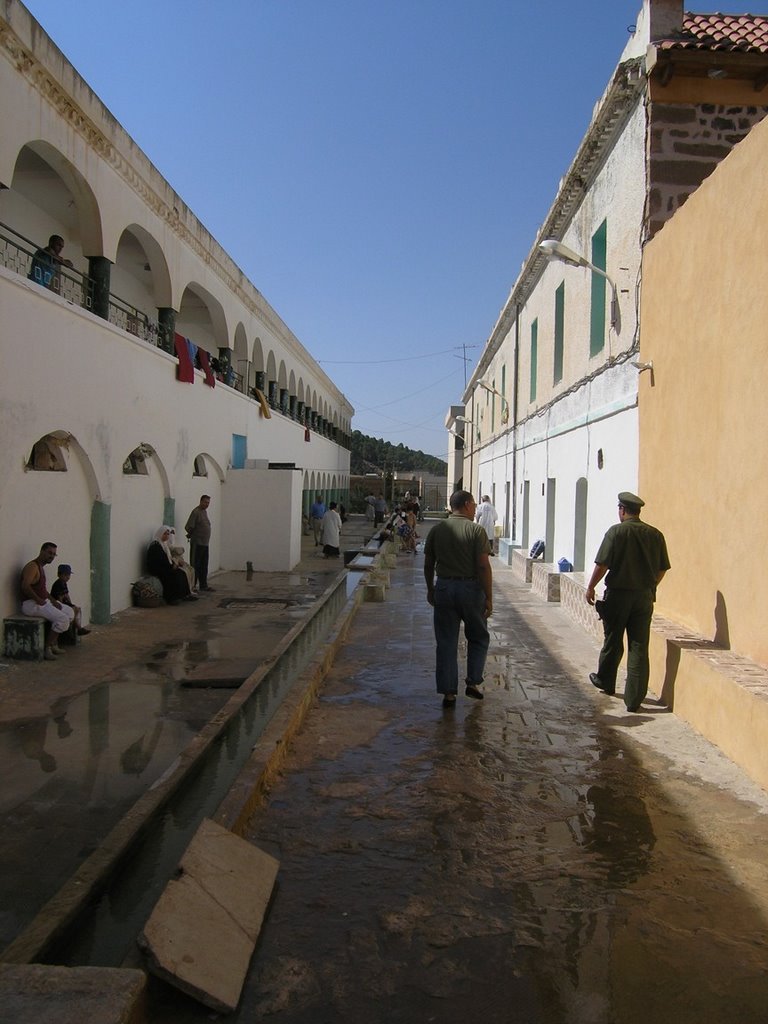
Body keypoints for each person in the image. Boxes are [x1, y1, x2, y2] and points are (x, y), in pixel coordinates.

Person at [585, 491, 671, 713]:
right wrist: (650, 585)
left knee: (613, 639)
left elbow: (602, 564)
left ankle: (606, 680)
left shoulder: (616, 532)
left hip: (618, 595)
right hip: (644, 597)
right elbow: (662, 569)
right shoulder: (655, 535)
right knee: (639, 646)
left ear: (622, 510)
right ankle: (634, 699)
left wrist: (591, 586)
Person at [423, 490, 493, 708]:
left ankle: (448, 693)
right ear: (467, 504)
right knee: (478, 636)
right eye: (474, 505)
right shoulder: (476, 530)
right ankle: (473, 681)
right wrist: (489, 596)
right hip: (471, 589)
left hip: (444, 587)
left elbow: (428, 564)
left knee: (446, 641)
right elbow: (483, 566)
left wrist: (430, 589)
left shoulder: (437, 530)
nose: (475, 509)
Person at [20, 542, 76, 660]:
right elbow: (25, 586)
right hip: (31, 604)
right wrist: (38, 600)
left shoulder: (41, 567)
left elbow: (43, 590)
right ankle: (47, 648)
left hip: (42, 602)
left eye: (54, 554)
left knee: (70, 612)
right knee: (62, 619)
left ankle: (54, 643)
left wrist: (54, 601)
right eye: (49, 553)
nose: (51, 556)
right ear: (42, 551)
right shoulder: (33, 566)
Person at [146, 526, 197, 604]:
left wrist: (174, 564)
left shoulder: (163, 545)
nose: (167, 536)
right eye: (165, 534)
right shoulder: (155, 546)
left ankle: (185, 595)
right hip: (157, 568)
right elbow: (160, 560)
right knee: (173, 575)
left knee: (181, 573)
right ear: (160, 534)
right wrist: (171, 566)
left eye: (168, 534)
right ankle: (171, 598)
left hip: (164, 566)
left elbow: (167, 558)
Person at [50, 564, 91, 638]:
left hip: (64, 603)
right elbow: (59, 598)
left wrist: (71, 604)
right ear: (59, 575)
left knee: (77, 609)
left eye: (68, 575)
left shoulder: (64, 583)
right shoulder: (58, 584)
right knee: (73, 610)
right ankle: (74, 629)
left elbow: (67, 595)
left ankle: (77, 628)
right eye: (65, 575)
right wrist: (66, 607)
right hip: (57, 604)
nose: (68, 577)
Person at [185, 494, 214, 591]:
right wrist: (192, 534)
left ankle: (203, 585)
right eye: (205, 502)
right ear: (201, 501)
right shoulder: (196, 512)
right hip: (197, 543)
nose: (207, 504)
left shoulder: (204, 512)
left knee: (204, 565)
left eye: (208, 503)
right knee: (195, 565)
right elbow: (189, 527)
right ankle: (192, 586)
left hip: (205, 543)